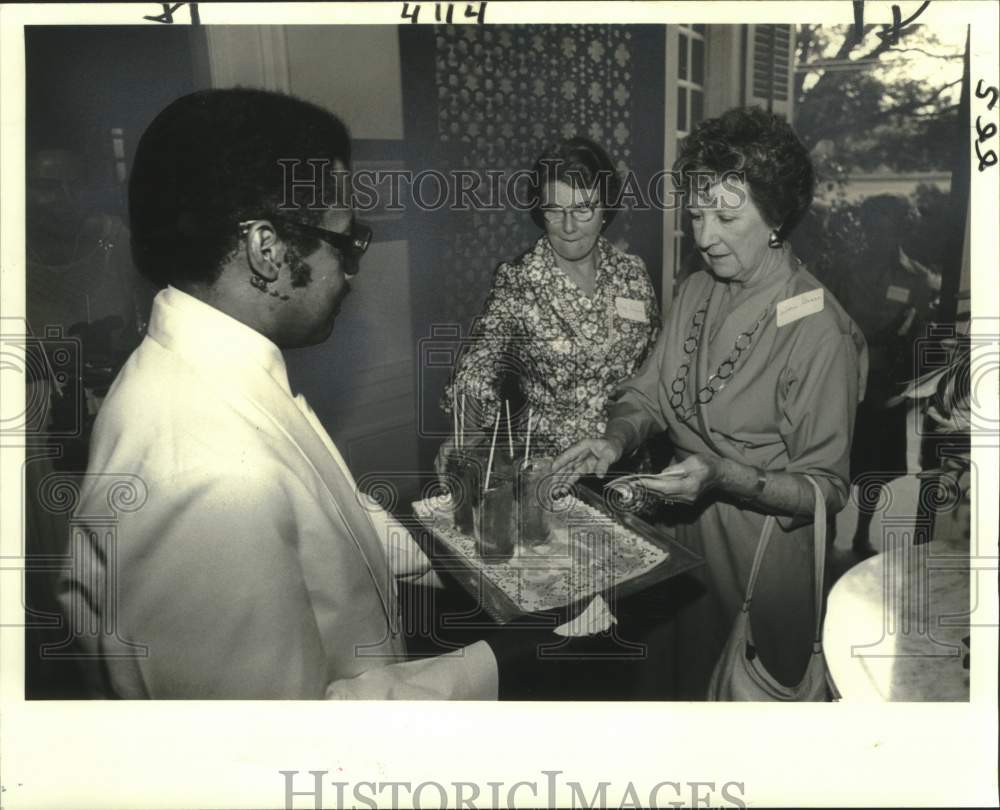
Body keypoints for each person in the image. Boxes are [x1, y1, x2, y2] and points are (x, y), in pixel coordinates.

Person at [57, 88, 520, 699]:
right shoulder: (208, 471)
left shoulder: (205, 368)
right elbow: (272, 749)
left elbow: (333, 526)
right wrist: (505, 661)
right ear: (267, 250)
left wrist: (490, 556)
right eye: (345, 241)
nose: (352, 270)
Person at [554, 106, 868, 699]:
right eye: (696, 215)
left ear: (776, 216)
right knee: (673, 695)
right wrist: (616, 436)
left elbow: (825, 488)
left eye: (726, 216)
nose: (704, 237)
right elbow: (649, 391)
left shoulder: (820, 328)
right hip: (678, 545)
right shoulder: (695, 288)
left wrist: (725, 475)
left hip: (759, 563)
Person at [436, 137, 660, 470]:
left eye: (583, 209)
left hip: (628, 459)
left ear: (606, 208)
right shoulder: (519, 281)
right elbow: (478, 366)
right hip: (552, 472)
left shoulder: (632, 273)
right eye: (555, 210)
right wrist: (466, 431)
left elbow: (655, 367)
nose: (569, 227)